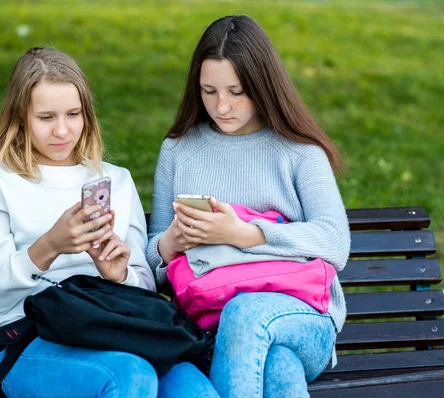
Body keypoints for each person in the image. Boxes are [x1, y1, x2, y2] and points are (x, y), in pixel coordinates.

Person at [0, 47, 218, 398]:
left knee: (195, 391)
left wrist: (119, 274)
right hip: (28, 341)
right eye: (46, 117)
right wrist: (48, 247)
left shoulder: (116, 180)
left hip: (110, 328)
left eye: (73, 114)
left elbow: (141, 286)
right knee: (129, 376)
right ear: (20, 117)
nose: (62, 130)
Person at [147, 16, 351, 397]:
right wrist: (171, 242)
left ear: (263, 86)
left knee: (245, 313)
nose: (221, 106)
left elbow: (336, 242)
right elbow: (152, 265)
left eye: (237, 92)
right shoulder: (178, 150)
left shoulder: (300, 152)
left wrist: (244, 235)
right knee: (280, 370)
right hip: (209, 323)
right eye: (209, 91)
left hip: (303, 320)